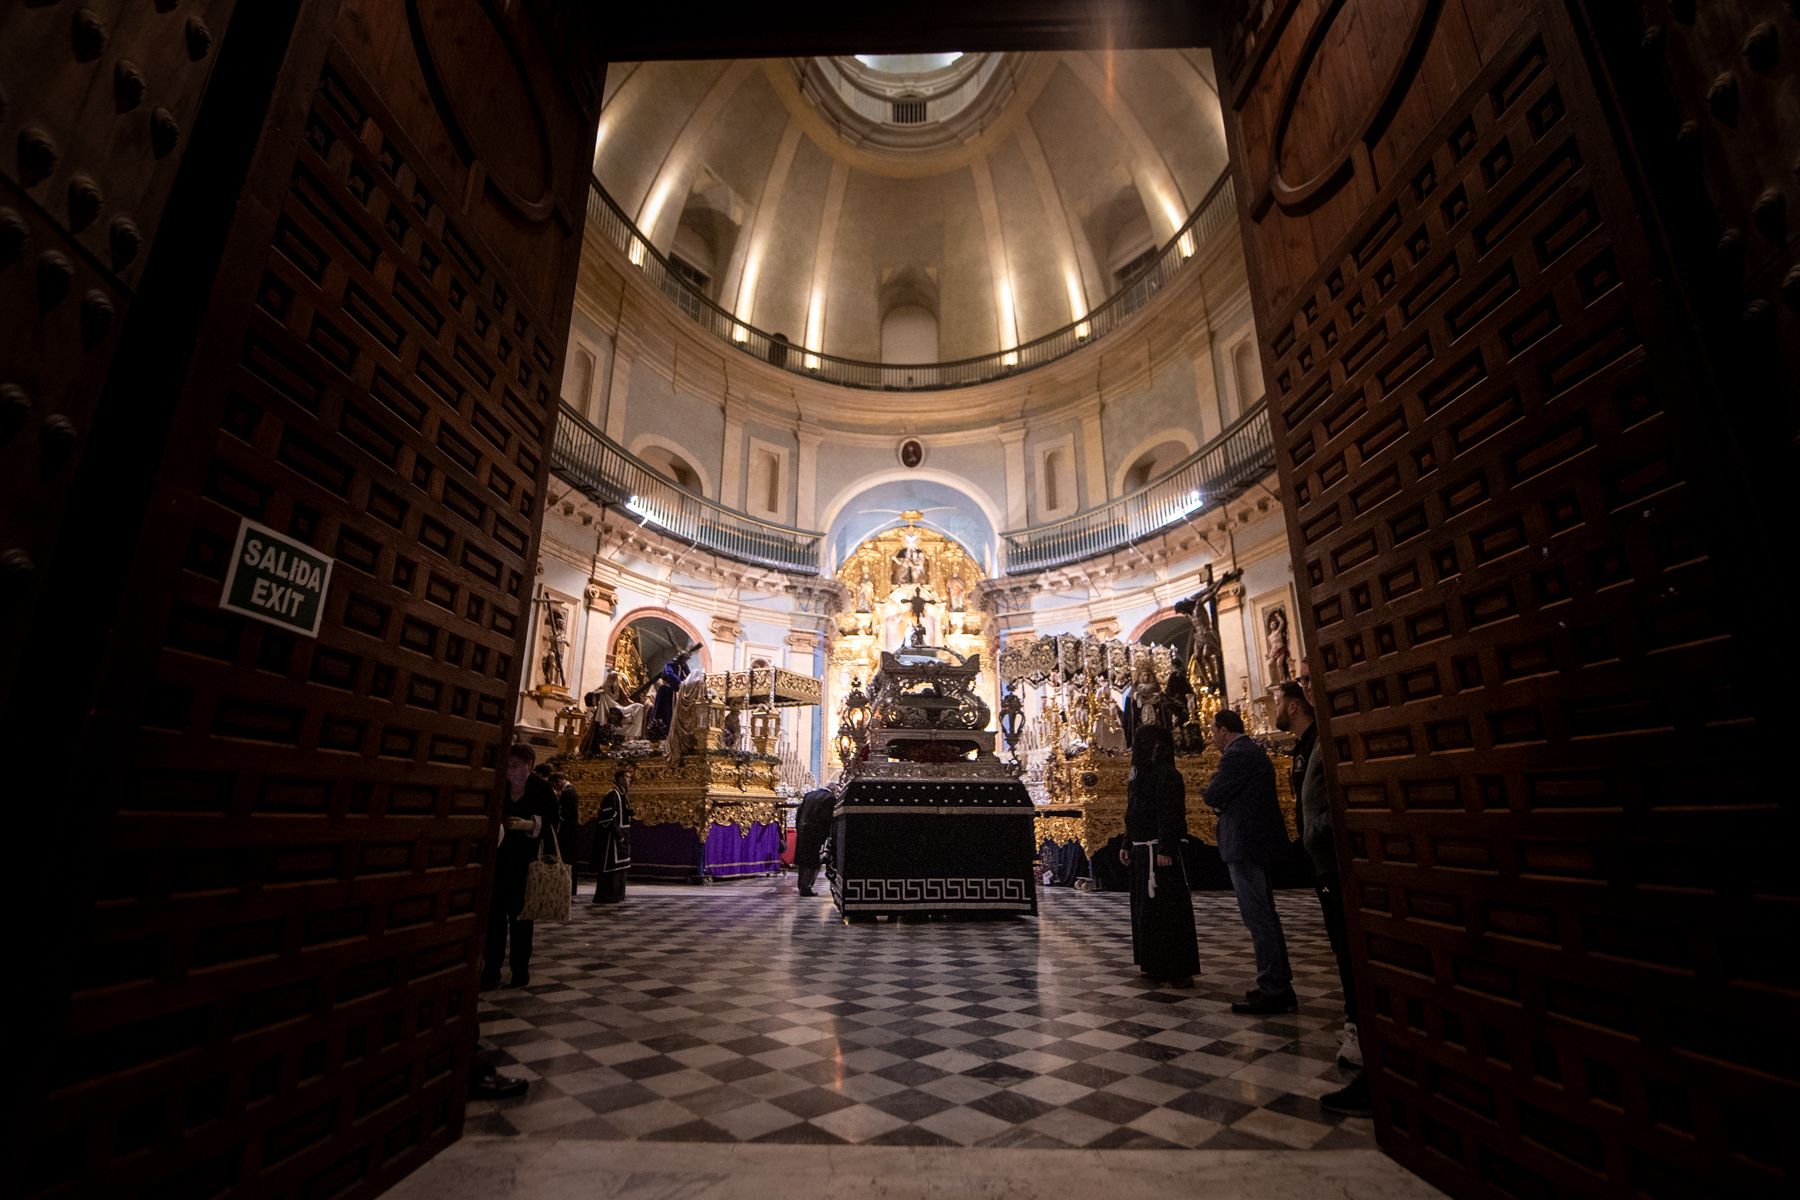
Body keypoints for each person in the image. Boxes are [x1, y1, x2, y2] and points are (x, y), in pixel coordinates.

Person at [1280, 673, 1373, 1117]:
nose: (1306, 685)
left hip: (1337, 859)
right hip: (1325, 860)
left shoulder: (1331, 736)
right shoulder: (1318, 738)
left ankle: (1367, 1040)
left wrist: (1315, 835)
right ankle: (1359, 1029)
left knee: (1353, 949)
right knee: (1343, 949)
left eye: (1309, 680)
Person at [1205, 709, 1297, 1014]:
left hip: (1246, 845)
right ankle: (1278, 984)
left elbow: (1213, 794)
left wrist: (1215, 791)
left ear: (1223, 730)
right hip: (1255, 844)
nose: (1213, 739)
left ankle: (1273, 988)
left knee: (1258, 917)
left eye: (1214, 732)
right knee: (1264, 916)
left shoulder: (1237, 754)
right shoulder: (1252, 751)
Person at [1119, 725, 1199, 986]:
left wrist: (1166, 847)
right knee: (1146, 911)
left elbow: (1171, 813)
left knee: (1168, 910)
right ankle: (1152, 962)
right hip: (1142, 850)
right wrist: (1127, 842)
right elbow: (1133, 811)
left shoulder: (1168, 775)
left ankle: (1177, 967)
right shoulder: (1139, 775)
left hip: (1159, 853)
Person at [484, 744, 559, 989]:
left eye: (514, 766)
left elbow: (553, 822)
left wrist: (528, 825)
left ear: (529, 765)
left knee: (521, 919)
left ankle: (519, 970)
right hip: (498, 858)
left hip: (526, 862)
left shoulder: (542, 789)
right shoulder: (501, 786)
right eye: (506, 765)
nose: (509, 770)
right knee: (494, 919)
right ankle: (491, 968)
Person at [592, 766, 632, 904]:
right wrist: (618, 833)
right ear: (620, 779)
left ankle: (618, 894)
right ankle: (608, 894)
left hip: (623, 835)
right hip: (612, 838)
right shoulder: (613, 794)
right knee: (611, 867)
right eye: (627, 777)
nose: (629, 780)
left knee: (621, 867)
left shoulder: (623, 795)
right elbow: (607, 816)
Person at [793, 787, 835, 896]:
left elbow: (799, 813)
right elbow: (826, 818)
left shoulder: (809, 794)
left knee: (803, 859)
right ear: (834, 789)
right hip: (816, 832)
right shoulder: (829, 798)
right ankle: (806, 887)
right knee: (813, 861)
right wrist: (827, 835)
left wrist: (799, 828)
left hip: (803, 830)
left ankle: (801, 885)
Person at [550, 771, 580, 896]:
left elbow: (564, 815)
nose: (556, 788)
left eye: (555, 785)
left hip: (567, 832)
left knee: (567, 859)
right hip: (571, 831)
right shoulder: (570, 791)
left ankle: (567, 886)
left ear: (559, 781)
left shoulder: (568, 793)